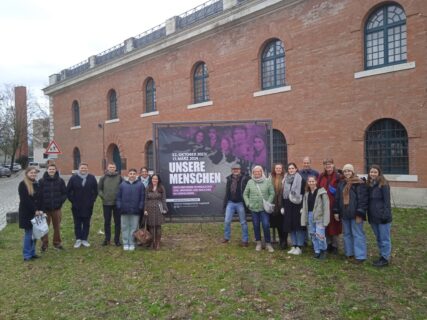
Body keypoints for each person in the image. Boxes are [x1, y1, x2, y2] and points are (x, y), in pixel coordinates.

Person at [334, 164, 369, 264]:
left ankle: (360, 255)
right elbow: (337, 198)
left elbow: (363, 200)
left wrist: (360, 213)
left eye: (349, 171)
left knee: (358, 234)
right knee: (347, 234)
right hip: (345, 213)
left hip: (355, 214)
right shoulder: (341, 183)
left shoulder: (359, 183)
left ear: (352, 172)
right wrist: (336, 211)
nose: (347, 173)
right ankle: (349, 253)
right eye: (345, 171)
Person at [243, 165, 275, 252]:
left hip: (264, 209)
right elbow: (245, 194)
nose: (257, 173)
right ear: (253, 173)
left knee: (265, 225)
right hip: (254, 208)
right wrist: (248, 203)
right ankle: (258, 243)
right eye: (255, 172)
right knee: (256, 225)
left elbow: (272, 193)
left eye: (259, 171)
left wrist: (268, 202)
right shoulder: (250, 182)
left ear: (262, 172)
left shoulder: (267, 181)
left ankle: (268, 243)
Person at [67, 163, 98, 248]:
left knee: (86, 223)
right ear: (79, 169)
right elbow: (68, 191)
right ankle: (78, 239)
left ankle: (84, 239)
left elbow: (95, 191)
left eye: (85, 168)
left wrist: (92, 200)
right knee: (77, 223)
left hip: (88, 205)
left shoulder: (91, 178)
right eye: (82, 168)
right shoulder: (73, 178)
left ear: (87, 169)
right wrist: (73, 200)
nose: (83, 169)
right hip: (76, 205)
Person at [37, 163, 67, 251]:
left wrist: (60, 202)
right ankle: (44, 244)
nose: (51, 171)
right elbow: (38, 195)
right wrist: (41, 207)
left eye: (53, 169)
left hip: (56, 209)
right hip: (45, 209)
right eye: (50, 169)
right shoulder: (41, 181)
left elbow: (64, 193)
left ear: (55, 170)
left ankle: (57, 243)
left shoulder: (60, 181)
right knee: (44, 227)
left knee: (57, 226)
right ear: (47, 170)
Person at [367, 164, 392, 267]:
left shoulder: (384, 184)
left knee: (384, 238)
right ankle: (382, 255)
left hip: (382, 217)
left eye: (375, 172)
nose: (373, 174)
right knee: (378, 238)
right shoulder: (369, 184)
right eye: (371, 172)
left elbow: (387, 202)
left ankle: (385, 258)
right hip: (373, 217)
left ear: (379, 173)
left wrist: (385, 215)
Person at [301, 176, 330, 259]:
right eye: (309, 181)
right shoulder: (307, 194)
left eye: (313, 181)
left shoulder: (321, 192)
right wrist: (304, 218)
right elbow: (305, 207)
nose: (311, 183)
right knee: (313, 234)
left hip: (319, 216)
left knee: (320, 235)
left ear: (316, 182)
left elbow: (326, 207)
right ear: (308, 182)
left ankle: (323, 250)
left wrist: (326, 220)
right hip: (310, 215)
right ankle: (317, 251)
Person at [116, 168, 145, 251]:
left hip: (135, 210)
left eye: (133, 173)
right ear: (128, 175)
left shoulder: (140, 185)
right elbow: (118, 197)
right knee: (125, 227)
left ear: (136, 175)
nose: (132, 175)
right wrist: (119, 206)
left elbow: (142, 198)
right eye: (130, 173)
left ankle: (132, 243)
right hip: (124, 210)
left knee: (134, 227)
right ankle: (125, 243)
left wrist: (140, 207)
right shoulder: (122, 185)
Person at [222, 163, 250, 246]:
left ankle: (245, 240)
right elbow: (227, 192)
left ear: (240, 170)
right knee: (227, 221)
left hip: (240, 203)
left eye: (237, 169)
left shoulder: (245, 178)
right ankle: (226, 238)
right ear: (232, 170)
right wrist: (225, 203)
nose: (235, 170)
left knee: (243, 222)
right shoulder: (229, 179)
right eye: (234, 169)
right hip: (230, 203)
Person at [317, 158, 342, 254]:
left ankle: (335, 246)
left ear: (333, 165)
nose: (328, 166)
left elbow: (341, 188)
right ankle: (328, 244)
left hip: (334, 204)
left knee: (334, 225)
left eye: (330, 164)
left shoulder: (338, 176)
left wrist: (335, 191)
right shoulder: (321, 176)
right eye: (326, 164)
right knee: (326, 224)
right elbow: (318, 188)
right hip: (323, 204)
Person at [282, 162, 305, 255]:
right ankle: (294, 245)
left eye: (293, 168)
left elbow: (304, 194)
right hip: (288, 205)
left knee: (298, 226)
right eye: (289, 168)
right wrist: (283, 206)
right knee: (290, 226)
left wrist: (303, 207)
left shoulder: (301, 179)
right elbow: (283, 194)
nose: (291, 170)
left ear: (296, 169)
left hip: (297, 205)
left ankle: (299, 247)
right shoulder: (285, 180)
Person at [18, 166, 40, 261]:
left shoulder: (37, 183)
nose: (33, 174)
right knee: (29, 234)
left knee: (35, 234)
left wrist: (40, 210)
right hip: (27, 213)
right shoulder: (22, 184)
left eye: (34, 173)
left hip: (37, 213)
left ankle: (32, 252)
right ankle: (27, 255)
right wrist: (35, 210)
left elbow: (40, 198)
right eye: (31, 172)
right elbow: (25, 200)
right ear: (27, 173)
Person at [98, 163, 122, 246]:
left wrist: (120, 198)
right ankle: (107, 239)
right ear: (107, 168)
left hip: (117, 203)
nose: (112, 168)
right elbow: (99, 189)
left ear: (115, 168)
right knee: (107, 222)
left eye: (113, 167)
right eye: (110, 167)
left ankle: (117, 240)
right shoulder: (103, 178)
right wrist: (103, 196)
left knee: (117, 222)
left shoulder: (119, 177)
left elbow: (123, 188)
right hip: (106, 203)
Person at [144, 174, 168, 250]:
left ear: (158, 180)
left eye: (156, 179)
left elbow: (164, 199)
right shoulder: (148, 187)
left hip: (159, 208)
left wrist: (165, 208)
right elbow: (145, 200)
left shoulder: (161, 188)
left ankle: (157, 243)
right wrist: (145, 209)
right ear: (151, 180)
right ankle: (152, 242)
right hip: (149, 208)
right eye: (153, 179)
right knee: (151, 226)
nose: (155, 180)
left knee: (158, 226)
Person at [269, 163, 286, 249]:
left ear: (282, 169)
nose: (278, 169)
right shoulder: (271, 178)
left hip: (282, 204)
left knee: (283, 224)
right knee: (278, 223)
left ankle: (284, 241)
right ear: (274, 169)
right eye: (277, 168)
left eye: (280, 168)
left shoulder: (285, 178)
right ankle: (281, 240)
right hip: (274, 204)